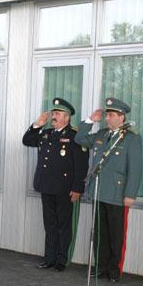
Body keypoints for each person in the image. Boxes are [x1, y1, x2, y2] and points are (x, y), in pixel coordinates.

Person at [75, 98, 142, 283]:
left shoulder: (131, 139)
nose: (108, 119)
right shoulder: (102, 135)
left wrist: (130, 194)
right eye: (107, 115)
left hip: (117, 194)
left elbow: (135, 169)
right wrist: (90, 120)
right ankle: (101, 267)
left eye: (111, 115)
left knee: (116, 234)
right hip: (99, 191)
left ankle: (114, 271)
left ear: (122, 117)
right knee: (99, 233)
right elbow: (79, 138)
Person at [22, 98, 89, 272]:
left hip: (65, 189)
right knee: (50, 224)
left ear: (66, 117)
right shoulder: (46, 133)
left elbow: (81, 165)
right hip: (46, 186)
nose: (53, 116)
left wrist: (77, 189)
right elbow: (27, 140)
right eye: (53, 113)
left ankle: (61, 260)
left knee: (63, 225)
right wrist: (37, 124)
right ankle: (49, 258)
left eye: (57, 113)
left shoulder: (75, 135)